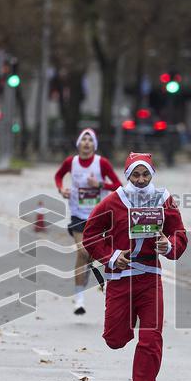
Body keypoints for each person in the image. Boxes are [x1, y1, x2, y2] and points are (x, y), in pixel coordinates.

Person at [82, 152, 187, 381]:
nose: (141, 180)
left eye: (145, 174)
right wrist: (111, 257)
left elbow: (179, 234)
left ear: (152, 174)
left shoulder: (164, 200)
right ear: (128, 175)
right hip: (121, 279)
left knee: (151, 338)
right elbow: (90, 233)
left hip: (150, 278)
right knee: (114, 339)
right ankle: (123, 328)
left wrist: (169, 245)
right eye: (136, 175)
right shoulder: (114, 201)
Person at [53, 128, 122, 315]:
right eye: (83, 139)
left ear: (94, 145)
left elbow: (118, 185)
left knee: (88, 256)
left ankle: (87, 280)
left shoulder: (102, 163)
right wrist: (62, 189)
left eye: (90, 140)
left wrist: (100, 184)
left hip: (99, 216)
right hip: (78, 214)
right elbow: (58, 176)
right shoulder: (71, 162)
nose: (86, 143)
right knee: (83, 251)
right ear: (78, 143)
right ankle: (79, 300)